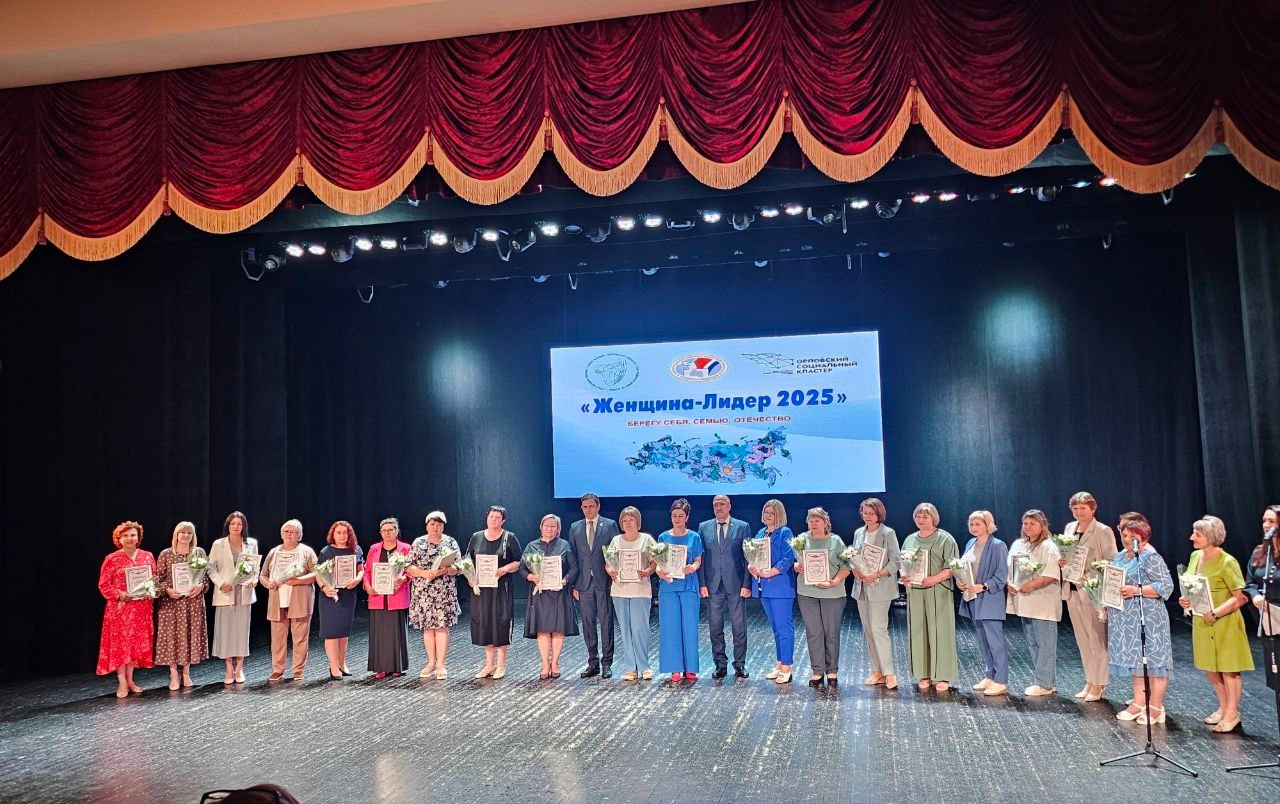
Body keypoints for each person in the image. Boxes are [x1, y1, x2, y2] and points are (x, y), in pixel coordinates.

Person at [1178, 515, 1253, 733]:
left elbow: (1241, 597)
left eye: (1197, 535)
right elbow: (1191, 587)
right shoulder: (1195, 556)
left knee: (1228, 669)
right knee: (1209, 667)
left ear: (1211, 537)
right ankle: (1223, 706)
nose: (1192, 537)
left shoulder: (1227, 561)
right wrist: (1186, 599)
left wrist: (1216, 612)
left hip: (1224, 622)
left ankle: (1232, 713)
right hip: (1202, 621)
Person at [1108, 513, 1174, 725]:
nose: (1127, 539)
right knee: (1137, 662)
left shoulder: (1150, 557)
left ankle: (1156, 707)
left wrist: (1136, 590)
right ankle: (1139, 702)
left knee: (1154, 662)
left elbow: (1166, 587)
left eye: (1132, 536)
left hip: (1149, 618)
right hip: (1127, 619)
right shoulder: (1120, 556)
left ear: (1143, 537)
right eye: (1124, 535)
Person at [1059, 492, 1117, 701]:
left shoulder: (1103, 530)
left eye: (1083, 508)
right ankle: (1090, 680)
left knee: (1096, 640)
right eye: (1075, 508)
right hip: (1072, 589)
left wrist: (1089, 574)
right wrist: (1063, 562)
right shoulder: (1069, 528)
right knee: (1083, 640)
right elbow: (1066, 555)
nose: (1079, 511)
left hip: (1091, 591)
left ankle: (1099, 684)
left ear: (1093, 509)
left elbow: (1111, 561)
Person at [900, 502, 958, 692]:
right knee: (919, 631)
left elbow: (952, 567)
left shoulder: (945, 539)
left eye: (925, 517)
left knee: (940, 632)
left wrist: (934, 579)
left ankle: (943, 675)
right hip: (916, 591)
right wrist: (904, 575)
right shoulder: (910, 539)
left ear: (934, 518)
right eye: (918, 516)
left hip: (938, 590)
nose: (921, 520)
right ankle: (923, 673)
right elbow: (902, 563)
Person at [1005, 510, 1062, 696]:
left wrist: (1031, 585)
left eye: (1032, 523)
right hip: (1024, 602)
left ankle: (1044, 684)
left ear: (1042, 525)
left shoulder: (1048, 546)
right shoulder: (1018, 544)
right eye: (1025, 523)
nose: (1028, 527)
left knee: (1046, 645)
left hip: (1043, 602)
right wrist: (1009, 583)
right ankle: (1046, 681)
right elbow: (1010, 569)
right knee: (1033, 643)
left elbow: (1051, 575)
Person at [96, 521, 156, 698]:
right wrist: (119, 594)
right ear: (119, 539)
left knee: (134, 646)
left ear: (138, 538)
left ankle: (130, 680)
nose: (130, 538)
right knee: (121, 646)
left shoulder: (147, 556)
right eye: (126, 535)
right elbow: (104, 584)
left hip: (141, 608)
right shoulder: (112, 559)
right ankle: (122, 682)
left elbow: (153, 580)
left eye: (133, 535)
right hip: (120, 609)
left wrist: (151, 590)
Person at [697, 494, 752, 679]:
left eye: (722, 504)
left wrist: (747, 584)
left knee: (739, 627)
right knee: (715, 627)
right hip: (713, 585)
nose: (718, 507)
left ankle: (740, 664)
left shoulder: (742, 527)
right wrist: (702, 583)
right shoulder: (704, 527)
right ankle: (720, 664)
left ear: (729, 506)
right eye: (715, 504)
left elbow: (748, 558)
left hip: (736, 584)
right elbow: (701, 558)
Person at [793, 507, 849, 686]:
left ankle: (832, 671)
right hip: (807, 593)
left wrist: (834, 582)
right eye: (810, 520)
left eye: (817, 520)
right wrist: (796, 566)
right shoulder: (801, 540)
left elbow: (846, 566)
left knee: (831, 633)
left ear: (826, 523)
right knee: (814, 632)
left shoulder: (835, 541)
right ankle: (817, 671)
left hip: (833, 593)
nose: (813, 524)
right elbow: (795, 563)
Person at [956, 510, 1009, 696]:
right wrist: (960, 581)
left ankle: (1000, 680)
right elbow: (964, 568)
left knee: (995, 642)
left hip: (990, 598)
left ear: (988, 524)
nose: (974, 527)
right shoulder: (971, 543)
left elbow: (1002, 575)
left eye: (978, 524)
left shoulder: (998, 545)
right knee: (983, 641)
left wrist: (984, 586)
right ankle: (990, 676)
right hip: (973, 598)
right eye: (971, 524)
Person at [467, 506, 522, 679]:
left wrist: (505, 569)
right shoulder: (476, 537)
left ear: (503, 520)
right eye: (491, 517)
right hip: (482, 590)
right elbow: (467, 561)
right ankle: (489, 664)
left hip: (501, 589)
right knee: (485, 623)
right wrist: (471, 578)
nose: (494, 520)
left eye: (498, 518)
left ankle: (501, 665)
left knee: (501, 622)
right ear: (487, 518)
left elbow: (519, 562)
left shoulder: (509, 538)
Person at [568, 493, 619, 679]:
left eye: (591, 506)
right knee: (588, 624)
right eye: (585, 507)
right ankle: (593, 662)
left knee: (606, 622)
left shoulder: (610, 525)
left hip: (604, 581)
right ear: (581, 508)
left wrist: (614, 574)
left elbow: (616, 552)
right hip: (584, 584)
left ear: (598, 506)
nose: (588, 510)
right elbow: (572, 558)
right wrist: (574, 584)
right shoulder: (575, 527)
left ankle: (607, 663)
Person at [851, 497, 900, 690]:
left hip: (881, 587)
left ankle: (889, 673)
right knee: (869, 630)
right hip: (862, 587)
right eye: (865, 512)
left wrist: (877, 573)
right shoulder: (858, 533)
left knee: (879, 629)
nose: (868, 516)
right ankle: (877, 671)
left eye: (871, 513)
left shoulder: (888, 533)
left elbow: (895, 561)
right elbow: (853, 557)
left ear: (879, 513)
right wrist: (854, 569)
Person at [154, 521, 209, 690]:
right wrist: (167, 590)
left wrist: (200, 586)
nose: (186, 536)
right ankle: (173, 674)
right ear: (176, 535)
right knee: (172, 637)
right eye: (183, 532)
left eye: (189, 533)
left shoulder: (199, 553)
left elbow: (205, 579)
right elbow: (156, 580)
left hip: (193, 603)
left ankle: (186, 672)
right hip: (171, 604)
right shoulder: (166, 554)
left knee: (190, 636)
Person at [523, 514, 579, 679]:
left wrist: (565, 580)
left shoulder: (564, 545)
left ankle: (554, 663)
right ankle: (544, 663)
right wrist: (531, 577)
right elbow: (522, 568)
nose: (549, 528)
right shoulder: (531, 546)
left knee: (558, 629)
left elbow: (574, 568)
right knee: (542, 629)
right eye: (546, 525)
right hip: (540, 593)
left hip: (559, 592)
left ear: (558, 529)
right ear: (541, 527)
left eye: (553, 526)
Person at [260, 519, 317, 681]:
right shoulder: (274, 552)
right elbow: (263, 575)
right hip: (277, 600)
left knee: (300, 637)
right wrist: (268, 584)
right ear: (281, 534)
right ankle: (278, 670)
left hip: (299, 600)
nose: (289, 534)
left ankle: (298, 670)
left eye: (293, 532)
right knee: (277, 639)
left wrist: (298, 581)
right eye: (286, 531)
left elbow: (317, 573)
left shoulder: (306, 551)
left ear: (299, 535)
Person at [407, 511, 461, 680]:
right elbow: (408, 566)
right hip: (423, 591)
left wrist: (447, 570)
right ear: (427, 526)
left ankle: (441, 664)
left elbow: (459, 566)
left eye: (439, 524)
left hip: (444, 591)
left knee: (442, 627)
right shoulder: (418, 542)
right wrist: (423, 573)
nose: (436, 527)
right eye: (432, 524)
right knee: (428, 628)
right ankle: (431, 662)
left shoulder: (450, 542)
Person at [605, 506, 657, 681]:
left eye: (631, 520)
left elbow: (654, 563)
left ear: (638, 522)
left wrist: (647, 572)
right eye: (624, 521)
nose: (628, 523)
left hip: (640, 590)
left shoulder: (646, 539)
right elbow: (608, 563)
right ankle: (630, 668)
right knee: (625, 630)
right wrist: (610, 571)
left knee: (640, 629)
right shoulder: (616, 541)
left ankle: (644, 666)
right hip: (619, 590)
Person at [749, 498, 796, 684]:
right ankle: (779, 663)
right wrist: (752, 566)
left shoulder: (785, 532)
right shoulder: (760, 533)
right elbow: (755, 557)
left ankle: (787, 666)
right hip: (764, 587)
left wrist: (771, 572)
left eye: (772, 513)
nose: (768, 516)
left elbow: (788, 558)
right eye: (766, 512)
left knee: (784, 627)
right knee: (776, 628)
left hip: (780, 587)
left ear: (779, 515)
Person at [208, 511, 258, 685]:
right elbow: (211, 568)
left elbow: (255, 568)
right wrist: (221, 583)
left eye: (239, 523)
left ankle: (240, 668)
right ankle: (229, 668)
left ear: (244, 526)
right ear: (228, 526)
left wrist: (254, 580)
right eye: (233, 523)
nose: (236, 526)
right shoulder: (218, 544)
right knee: (226, 633)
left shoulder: (252, 544)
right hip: (226, 593)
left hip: (244, 594)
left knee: (242, 633)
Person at [657, 498, 704, 682]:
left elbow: (698, 560)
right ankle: (674, 668)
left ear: (687, 517)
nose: (677, 519)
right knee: (671, 627)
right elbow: (658, 563)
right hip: (669, 586)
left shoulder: (694, 537)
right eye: (674, 516)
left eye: (681, 516)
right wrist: (660, 572)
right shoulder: (663, 537)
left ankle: (690, 667)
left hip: (689, 585)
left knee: (690, 627)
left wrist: (693, 567)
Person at [316, 520, 364, 679]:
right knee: (332, 633)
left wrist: (358, 579)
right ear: (333, 534)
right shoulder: (326, 551)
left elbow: (361, 570)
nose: (342, 535)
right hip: (330, 595)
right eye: (339, 532)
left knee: (343, 632)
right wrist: (324, 587)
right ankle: (333, 666)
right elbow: (319, 573)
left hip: (348, 594)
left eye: (345, 532)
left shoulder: (356, 550)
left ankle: (342, 663)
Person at [364, 517, 411, 678]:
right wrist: (367, 586)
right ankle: (381, 667)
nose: (387, 533)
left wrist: (404, 578)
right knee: (380, 633)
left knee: (396, 632)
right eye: (384, 530)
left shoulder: (405, 548)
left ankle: (397, 666)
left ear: (397, 531)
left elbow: (410, 570)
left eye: (390, 530)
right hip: (377, 596)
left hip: (397, 595)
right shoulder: (374, 549)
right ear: (380, 532)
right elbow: (367, 571)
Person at [1245, 505, 1280, 693]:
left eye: (1271, 521)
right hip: (1268, 619)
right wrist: (1256, 595)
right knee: (1276, 675)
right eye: (1264, 521)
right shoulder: (1260, 552)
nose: (1266, 525)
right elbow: (1249, 582)